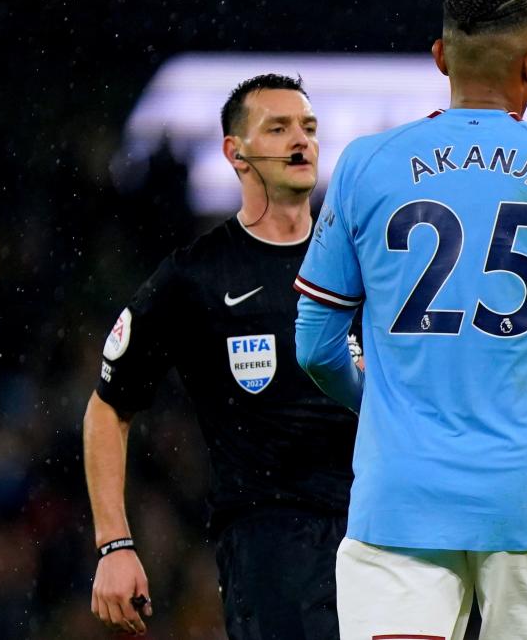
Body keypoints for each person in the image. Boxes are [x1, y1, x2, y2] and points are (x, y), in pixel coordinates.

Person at [293, 0, 527, 640]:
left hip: (401, 498)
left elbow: (315, 347)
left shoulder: (365, 164)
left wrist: (379, 400)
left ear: (441, 56)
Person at [84, 74, 360, 639]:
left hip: (382, 528)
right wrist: (115, 545)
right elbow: (107, 410)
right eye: (278, 128)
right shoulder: (197, 276)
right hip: (270, 544)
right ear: (235, 152)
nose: (300, 141)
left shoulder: (363, 259)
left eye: (308, 128)